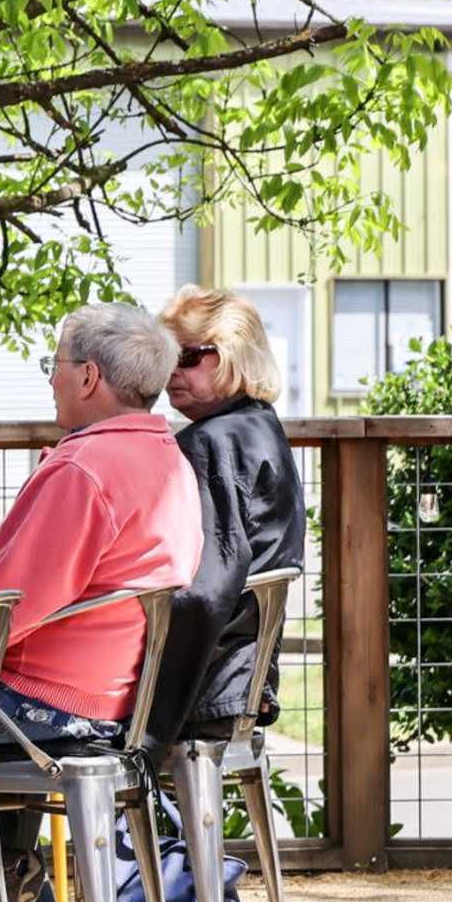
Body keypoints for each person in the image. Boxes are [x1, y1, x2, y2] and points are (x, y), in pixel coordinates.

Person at [0, 301, 205, 902]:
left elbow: (0, 609)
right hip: (116, 703)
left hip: (48, 707)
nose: (49, 379)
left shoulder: (83, 470)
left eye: (54, 365)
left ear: (88, 378)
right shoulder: (169, 460)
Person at [162, 286, 306, 723]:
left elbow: (204, 589)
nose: (172, 371)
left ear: (232, 354)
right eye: (166, 356)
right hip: (246, 677)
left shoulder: (211, 444)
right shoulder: (261, 428)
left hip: (205, 687)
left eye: (187, 356)